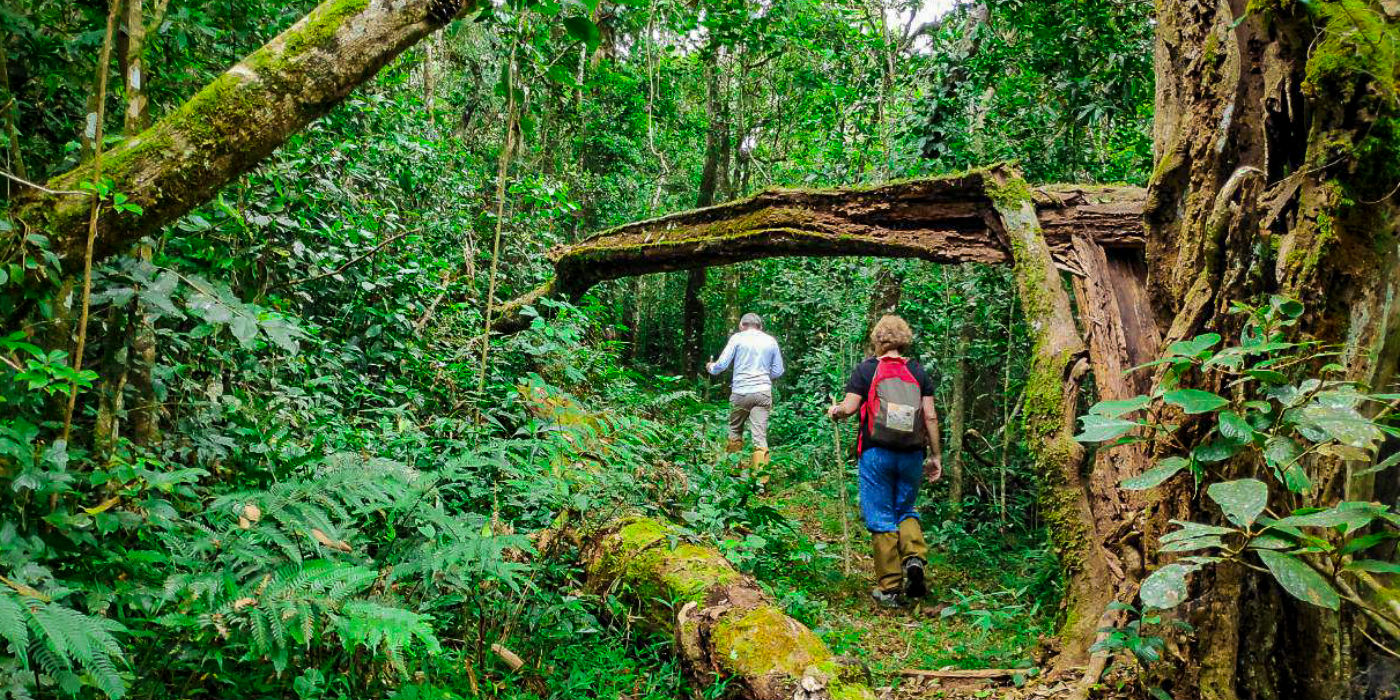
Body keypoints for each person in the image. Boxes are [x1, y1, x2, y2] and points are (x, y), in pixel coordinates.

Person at [827, 315, 942, 607]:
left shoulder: (866, 370)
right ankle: (914, 557)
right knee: (905, 509)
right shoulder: (918, 371)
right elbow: (930, 416)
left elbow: (850, 408)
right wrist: (936, 456)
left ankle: (890, 588)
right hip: (912, 454)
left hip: (876, 452)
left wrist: (836, 411)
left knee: (880, 516)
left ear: (878, 340)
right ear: (904, 339)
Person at [707, 313, 785, 468]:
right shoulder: (770, 341)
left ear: (741, 326)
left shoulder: (737, 338)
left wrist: (711, 368)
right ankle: (760, 482)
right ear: (760, 327)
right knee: (760, 437)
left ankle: (733, 473)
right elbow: (778, 371)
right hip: (762, 392)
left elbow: (722, 365)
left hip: (740, 392)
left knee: (735, 430)